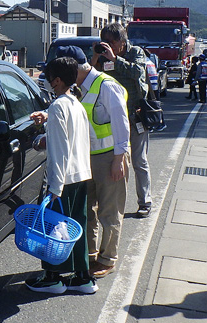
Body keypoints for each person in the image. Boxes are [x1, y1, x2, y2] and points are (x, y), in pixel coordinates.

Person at [42, 45, 130, 279]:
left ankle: (107, 258)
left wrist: (119, 159)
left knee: (109, 212)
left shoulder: (106, 85)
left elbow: (122, 124)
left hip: (110, 156)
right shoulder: (77, 89)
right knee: (87, 210)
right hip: (86, 158)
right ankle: (88, 256)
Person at [25, 56, 96, 294]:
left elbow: (59, 151)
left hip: (63, 179)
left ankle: (53, 277)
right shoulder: (75, 103)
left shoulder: (57, 107)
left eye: (47, 77)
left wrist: (54, 187)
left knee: (54, 230)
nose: (45, 80)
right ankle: (83, 277)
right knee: (77, 227)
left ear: (56, 81)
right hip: (81, 174)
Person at [92, 22, 152, 219]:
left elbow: (137, 73)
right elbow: (89, 76)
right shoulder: (102, 57)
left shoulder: (136, 52)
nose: (107, 45)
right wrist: (95, 57)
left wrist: (115, 59)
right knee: (115, 164)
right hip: (112, 120)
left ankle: (145, 202)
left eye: (110, 42)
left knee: (138, 161)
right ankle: (115, 204)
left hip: (135, 116)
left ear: (121, 42)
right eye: (104, 41)